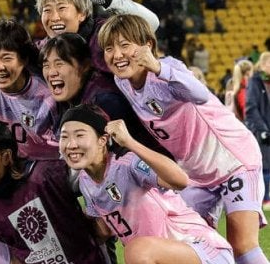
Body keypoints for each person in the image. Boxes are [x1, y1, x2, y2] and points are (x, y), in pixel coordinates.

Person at [99, 14, 267, 263]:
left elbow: (200, 94)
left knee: (242, 246)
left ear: (148, 45)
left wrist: (159, 68)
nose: (117, 54)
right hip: (195, 174)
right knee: (185, 242)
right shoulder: (121, 82)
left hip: (232, 160)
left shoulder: (168, 67)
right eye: (109, 48)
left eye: (125, 45)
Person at [60, 104, 235, 264]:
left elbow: (180, 180)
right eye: (64, 137)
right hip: (160, 258)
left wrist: (130, 142)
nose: (71, 144)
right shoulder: (85, 182)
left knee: (137, 250)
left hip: (200, 249)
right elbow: (104, 231)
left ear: (103, 140)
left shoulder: (127, 163)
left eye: (79, 135)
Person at [0, 120, 110, 264]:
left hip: (86, 260)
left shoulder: (47, 174)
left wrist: (98, 216)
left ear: (6, 157)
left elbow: (99, 171)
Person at [40, 33, 171, 159]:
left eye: (59, 64)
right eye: (46, 65)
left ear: (85, 66)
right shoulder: (68, 98)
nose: (51, 72)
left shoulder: (105, 102)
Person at [34, 0, 159, 75]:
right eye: (47, 10)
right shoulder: (41, 50)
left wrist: (110, 1)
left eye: (61, 8)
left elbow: (151, 24)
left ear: (82, 13)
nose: (54, 17)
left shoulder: (104, 34)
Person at [0, 19, 60, 161]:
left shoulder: (48, 96)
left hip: (50, 164)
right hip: (12, 162)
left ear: (24, 60)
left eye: (7, 58)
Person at [245, 52, 270, 211]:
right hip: (261, 131)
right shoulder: (255, 81)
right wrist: (262, 129)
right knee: (265, 166)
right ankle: (264, 199)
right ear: (262, 64)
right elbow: (251, 108)